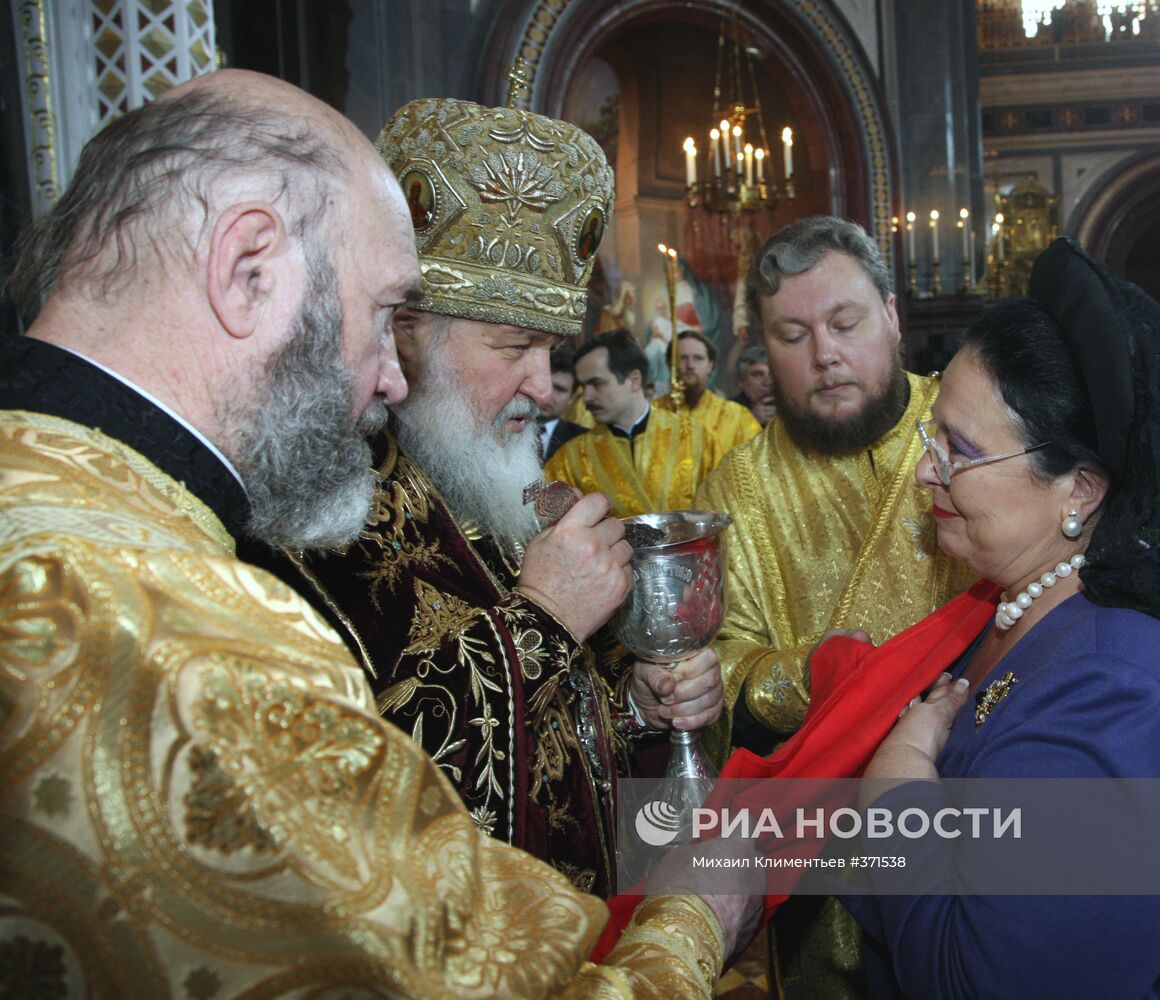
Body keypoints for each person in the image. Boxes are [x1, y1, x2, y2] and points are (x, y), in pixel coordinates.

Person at [0, 69, 752, 997]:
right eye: (385, 314)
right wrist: (696, 918)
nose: (389, 376)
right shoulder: (204, 609)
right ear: (249, 267)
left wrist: (630, 708)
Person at [243, 95, 723, 900]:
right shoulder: (305, 513)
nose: (544, 388)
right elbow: (343, 818)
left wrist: (636, 706)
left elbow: (568, 738)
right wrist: (540, 621)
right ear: (407, 331)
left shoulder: (510, 492)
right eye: (514, 347)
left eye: (550, 351)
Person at [834, 238, 1160, 995]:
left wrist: (896, 788)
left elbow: (975, 981)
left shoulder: (1121, 697)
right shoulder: (1008, 601)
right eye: (933, 433)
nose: (927, 468)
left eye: (957, 449)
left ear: (1079, 491)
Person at [695, 216, 976, 999]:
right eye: (792, 334)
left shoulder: (963, 431)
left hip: (982, 798)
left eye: (845, 323)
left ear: (890, 315)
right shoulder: (738, 488)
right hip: (820, 854)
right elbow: (718, 667)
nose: (825, 354)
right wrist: (812, 677)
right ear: (760, 349)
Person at [545, 329, 720, 517]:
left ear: (634, 380)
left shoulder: (696, 438)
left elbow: (718, 508)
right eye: (583, 386)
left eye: (596, 384)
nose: (586, 397)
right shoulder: (570, 458)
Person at [657, 330, 761, 463]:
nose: (690, 365)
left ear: (711, 366)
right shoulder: (653, 414)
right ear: (669, 363)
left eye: (698, 358)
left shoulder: (737, 417)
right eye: (682, 358)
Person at [541, 342, 587, 460]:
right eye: (545, 384)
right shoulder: (502, 427)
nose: (549, 395)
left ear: (571, 398)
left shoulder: (583, 441)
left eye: (559, 389)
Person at [731, 344, 776, 426]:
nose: (767, 382)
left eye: (772, 374)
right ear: (741, 381)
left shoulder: (788, 407)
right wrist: (750, 421)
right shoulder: (727, 411)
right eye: (758, 375)